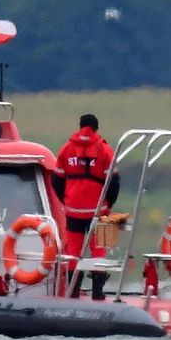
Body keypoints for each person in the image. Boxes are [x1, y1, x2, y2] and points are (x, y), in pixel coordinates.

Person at [52, 113, 120, 300]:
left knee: (73, 250)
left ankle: (73, 290)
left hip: (73, 210)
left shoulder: (66, 149)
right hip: (100, 210)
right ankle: (98, 292)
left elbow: (56, 179)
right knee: (99, 249)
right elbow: (114, 183)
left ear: (79, 126)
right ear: (97, 128)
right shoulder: (105, 150)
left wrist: (66, 201)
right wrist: (108, 204)